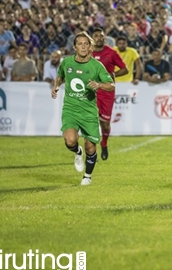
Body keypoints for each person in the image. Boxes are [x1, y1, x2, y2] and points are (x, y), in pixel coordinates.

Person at [51, 32, 115, 186]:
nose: (83, 46)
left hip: (89, 112)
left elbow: (111, 84)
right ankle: (77, 152)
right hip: (71, 109)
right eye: (80, 43)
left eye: (86, 43)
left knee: (90, 147)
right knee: (70, 140)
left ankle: (87, 176)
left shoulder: (96, 66)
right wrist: (56, 86)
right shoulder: (66, 62)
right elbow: (60, 75)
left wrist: (99, 85)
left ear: (91, 47)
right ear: (74, 47)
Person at [91, 28, 129, 160]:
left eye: (101, 36)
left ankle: (104, 143)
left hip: (107, 91)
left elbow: (125, 69)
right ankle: (92, 151)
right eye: (96, 36)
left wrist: (114, 74)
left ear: (104, 38)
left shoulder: (111, 53)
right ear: (92, 38)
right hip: (92, 91)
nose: (99, 38)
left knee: (105, 124)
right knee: (91, 121)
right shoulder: (87, 53)